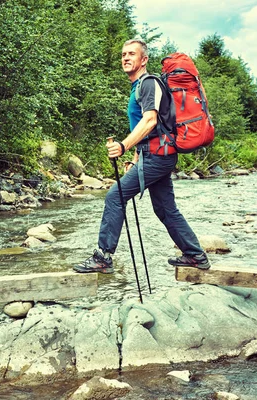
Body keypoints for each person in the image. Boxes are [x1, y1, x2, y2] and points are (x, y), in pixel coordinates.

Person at [74, 38, 210, 274]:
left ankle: (103, 257)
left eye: (132, 54)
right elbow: (150, 130)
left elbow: (150, 121)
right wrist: (136, 159)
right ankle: (195, 255)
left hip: (158, 157)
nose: (126, 58)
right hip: (156, 155)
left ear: (144, 59)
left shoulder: (148, 84)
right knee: (165, 208)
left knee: (115, 196)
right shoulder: (138, 86)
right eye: (123, 54)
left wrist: (123, 146)